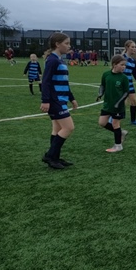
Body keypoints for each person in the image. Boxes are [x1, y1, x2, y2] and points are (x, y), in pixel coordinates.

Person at [40, 33, 77, 169]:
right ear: (57, 44)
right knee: (68, 127)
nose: (69, 46)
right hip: (55, 101)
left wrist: (72, 98)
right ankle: (50, 156)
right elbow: (46, 81)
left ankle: (54, 158)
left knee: (57, 129)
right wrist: (45, 100)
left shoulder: (60, 60)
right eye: (66, 43)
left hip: (61, 99)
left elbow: (65, 83)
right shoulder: (52, 60)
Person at [96, 55, 130, 152]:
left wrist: (119, 103)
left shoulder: (124, 78)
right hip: (107, 104)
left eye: (125, 65)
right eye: (122, 65)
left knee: (115, 124)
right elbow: (102, 85)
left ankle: (118, 146)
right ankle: (121, 132)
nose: (124, 67)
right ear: (114, 65)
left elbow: (126, 92)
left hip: (118, 106)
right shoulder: (106, 74)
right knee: (102, 123)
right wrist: (100, 94)